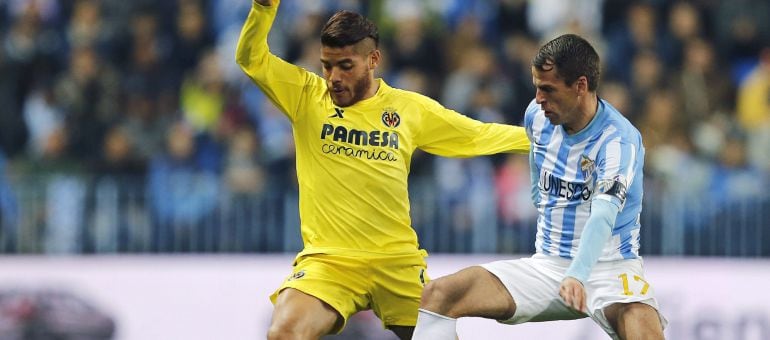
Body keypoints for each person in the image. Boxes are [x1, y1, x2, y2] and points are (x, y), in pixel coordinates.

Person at [235, 1, 530, 339]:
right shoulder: (306, 95)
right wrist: (263, 9)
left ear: (373, 60)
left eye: (345, 66)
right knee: (284, 332)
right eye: (327, 66)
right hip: (331, 262)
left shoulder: (408, 109)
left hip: (397, 263)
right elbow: (250, 58)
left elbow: (477, 135)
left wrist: (542, 141)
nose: (333, 78)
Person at [413, 34, 667, 340]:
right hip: (548, 266)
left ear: (580, 86)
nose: (538, 99)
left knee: (641, 325)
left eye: (547, 89)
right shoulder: (537, 116)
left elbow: (603, 216)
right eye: (536, 87)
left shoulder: (618, 141)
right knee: (440, 295)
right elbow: (537, 158)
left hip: (609, 268)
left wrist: (577, 274)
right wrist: (538, 194)